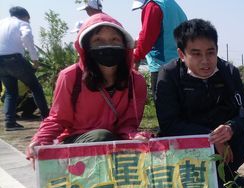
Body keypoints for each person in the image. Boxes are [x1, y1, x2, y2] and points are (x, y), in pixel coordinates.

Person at [26, 13, 148, 161]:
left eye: (115, 39)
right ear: (86, 47)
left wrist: (134, 136)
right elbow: (58, 118)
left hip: (115, 142)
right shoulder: (70, 76)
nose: (107, 45)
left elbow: (128, 124)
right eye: (98, 40)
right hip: (78, 141)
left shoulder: (136, 81)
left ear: (125, 46)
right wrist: (39, 141)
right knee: (102, 136)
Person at [155, 18, 244, 184]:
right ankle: (198, 179)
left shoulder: (229, 72)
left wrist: (230, 128)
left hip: (223, 138)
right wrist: (210, 137)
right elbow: (169, 124)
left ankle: (225, 175)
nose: (205, 61)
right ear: (182, 54)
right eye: (196, 54)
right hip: (188, 140)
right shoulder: (168, 76)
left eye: (210, 52)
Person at [0, 6, 49, 130]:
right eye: (29, 19)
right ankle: (47, 119)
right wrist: (34, 59)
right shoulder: (21, 22)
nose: (28, 22)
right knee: (36, 88)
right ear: (25, 16)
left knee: (11, 92)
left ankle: (10, 122)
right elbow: (27, 36)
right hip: (14, 60)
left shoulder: (1, 23)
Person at [131, 0, 187, 97]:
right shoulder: (172, 5)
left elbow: (147, 36)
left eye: (141, 7)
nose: (142, 9)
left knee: (163, 106)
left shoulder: (152, 6)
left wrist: (136, 57)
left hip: (162, 67)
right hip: (182, 64)